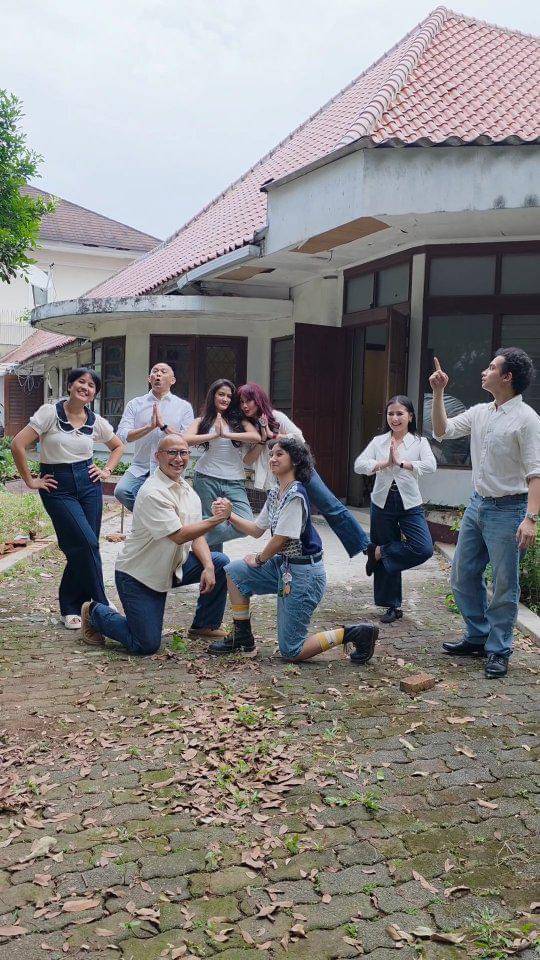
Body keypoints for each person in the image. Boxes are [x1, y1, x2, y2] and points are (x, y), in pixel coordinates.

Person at [207, 436, 378, 665]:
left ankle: (355, 633)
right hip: (285, 566)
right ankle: (243, 638)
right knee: (235, 572)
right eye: (272, 454)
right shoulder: (276, 492)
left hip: (304, 575)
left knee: (291, 650)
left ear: (295, 461)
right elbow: (257, 530)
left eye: (280, 454)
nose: (273, 458)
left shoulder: (295, 495)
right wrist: (229, 514)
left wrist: (259, 559)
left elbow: (280, 539)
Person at [430, 348, 540, 679]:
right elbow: (441, 430)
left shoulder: (527, 420)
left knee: (505, 583)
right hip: (477, 505)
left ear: (507, 377)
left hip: (510, 509)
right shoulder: (480, 412)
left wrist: (530, 518)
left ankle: (499, 648)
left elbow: (536, 473)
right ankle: (478, 636)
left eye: (492, 367)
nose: (484, 371)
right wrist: (438, 393)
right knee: (462, 575)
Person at [81, 434, 232, 654]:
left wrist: (208, 567)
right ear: (157, 456)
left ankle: (204, 625)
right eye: (171, 452)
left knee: (219, 562)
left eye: (183, 453)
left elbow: (196, 535)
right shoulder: (152, 492)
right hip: (140, 576)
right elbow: (179, 535)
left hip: (172, 567)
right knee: (146, 645)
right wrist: (217, 519)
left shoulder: (188, 491)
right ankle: (94, 612)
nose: (178, 458)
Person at [11, 368, 124, 629]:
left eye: (92, 385)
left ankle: (72, 606)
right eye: (81, 382)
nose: (86, 387)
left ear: (95, 393)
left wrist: (106, 470)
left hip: (89, 485)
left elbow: (118, 446)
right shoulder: (50, 412)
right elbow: (18, 443)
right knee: (85, 544)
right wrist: (30, 480)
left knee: (83, 545)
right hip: (56, 485)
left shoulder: (95, 421)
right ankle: (101, 602)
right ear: (70, 385)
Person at [238, 382, 370, 558]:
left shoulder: (275, 417)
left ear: (258, 400)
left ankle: (366, 546)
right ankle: (293, 560)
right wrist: (260, 441)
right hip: (277, 479)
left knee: (330, 506)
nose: (245, 406)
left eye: (249, 400)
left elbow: (299, 439)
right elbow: (247, 460)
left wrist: (272, 436)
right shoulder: (247, 428)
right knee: (287, 521)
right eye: (241, 402)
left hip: (300, 470)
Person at [354, 396, 436, 624]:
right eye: (391, 413)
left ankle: (377, 552)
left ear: (410, 416)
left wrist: (402, 463)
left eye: (400, 413)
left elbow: (431, 466)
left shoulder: (419, 442)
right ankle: (391, 605)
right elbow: (359, 465)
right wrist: (384, 463)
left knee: (423, 547)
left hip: (409, 503)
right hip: (382, 502)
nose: (395, 418)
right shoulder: (379, 441)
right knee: (387, 541)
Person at [183, 379, 260, 551]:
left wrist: (225, 434)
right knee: (210, 521)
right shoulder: (202, 421)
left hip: (234, 479)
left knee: (245, 523)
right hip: (206, 477)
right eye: (221, 394)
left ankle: (196, 540)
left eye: (229, 396)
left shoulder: (239, 421)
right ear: (213, 396)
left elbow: (256, 437)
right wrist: (213, 436)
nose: (225, 399)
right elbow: (185, 440)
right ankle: (213, 568)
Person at [115, 362, 194, 511]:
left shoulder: (183, 406)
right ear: (149, 379)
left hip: (168, 467)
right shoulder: (135, 404)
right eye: (155, 371)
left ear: (173, 380)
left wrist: (164, 427)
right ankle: (149, 520)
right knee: (122, 491)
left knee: (171, 506)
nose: (158, 374)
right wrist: (149, 427)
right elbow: (123, 435)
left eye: (163, 372)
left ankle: (157, 525)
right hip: (140, 466)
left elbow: (187, 440)